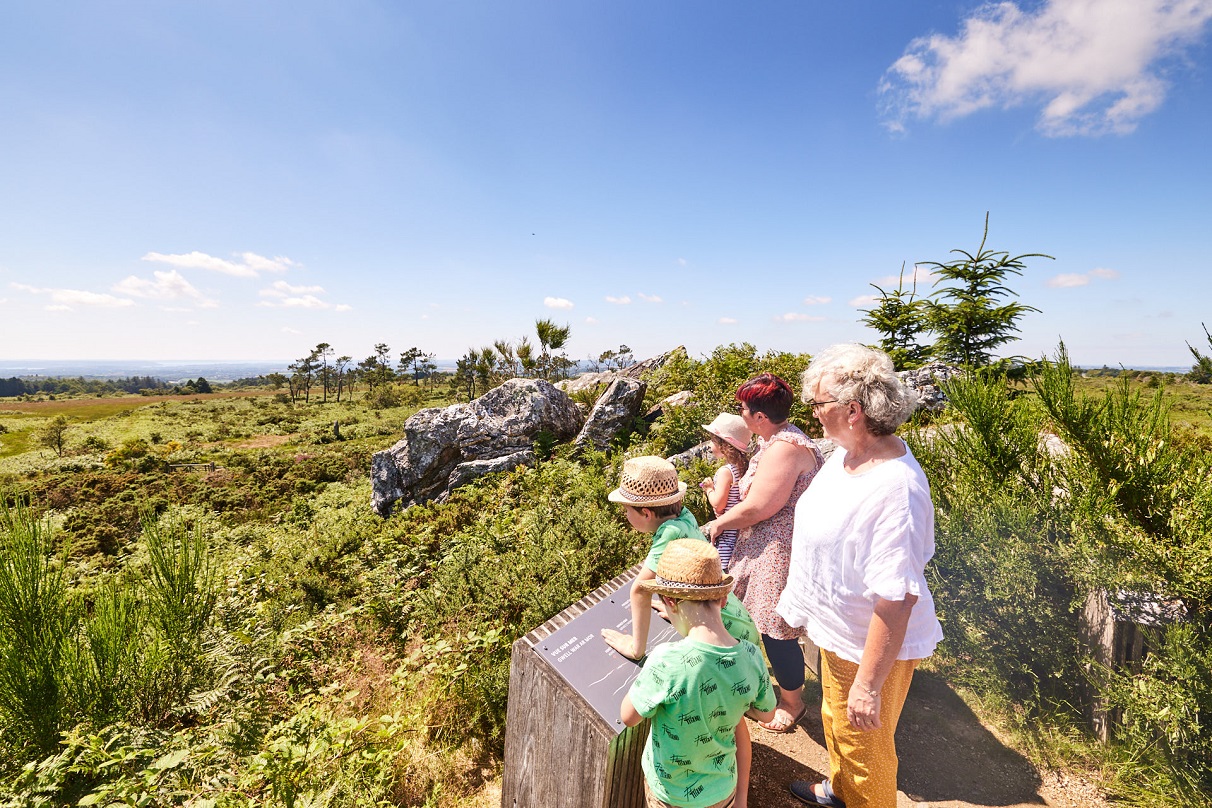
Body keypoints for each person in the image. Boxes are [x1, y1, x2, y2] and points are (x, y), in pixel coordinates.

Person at [777, 344, 943, 808]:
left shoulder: (895, 489)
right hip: (838, 630)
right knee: (834, 719)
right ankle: (840, 791)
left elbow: (896, 598)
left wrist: (868, 686)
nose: (813, 414)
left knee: (865, 747)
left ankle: (862, 797)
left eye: (819, 404)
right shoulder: (847, 455)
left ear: (852, 410)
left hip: (867, 643)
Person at [600, 455, 763, 808]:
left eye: (627, 508)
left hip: (713, 625)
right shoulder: (684, 517)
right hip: (727, 618)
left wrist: (637, 647)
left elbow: (640, 590)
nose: (625, 515)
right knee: (729, 715)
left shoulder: (666, 534)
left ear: (644, 512)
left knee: (706, 697)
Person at [702, 374, 822, 734]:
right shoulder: (779, 440)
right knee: (749, 620)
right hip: (764, 545)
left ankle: (792, 703)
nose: (741, 414)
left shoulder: (785, 447)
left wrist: (719, 524)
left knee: (776, 628)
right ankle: (754, 688)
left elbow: (759, 506)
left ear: (759, 417)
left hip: (777, 548)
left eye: (744, 409)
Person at [621, 539, 777, 808]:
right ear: (724, 598)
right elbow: (766, 714)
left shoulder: (666, 660)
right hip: (722, 793)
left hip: (671, 795)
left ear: (669, 601)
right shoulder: (751, 656)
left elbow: (629, 717)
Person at [698, 413, 752, 572]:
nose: (710, 445)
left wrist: (709, 490)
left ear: (724, 445)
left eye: (713, 441)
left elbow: (719, 504)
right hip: (740, 529)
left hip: (727, 530)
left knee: (721, 570)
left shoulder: (725, 472)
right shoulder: (744, 467)